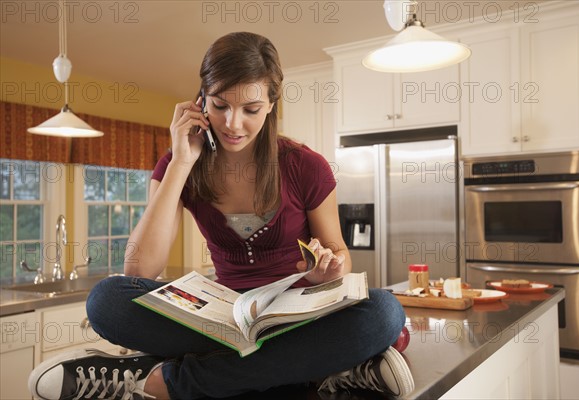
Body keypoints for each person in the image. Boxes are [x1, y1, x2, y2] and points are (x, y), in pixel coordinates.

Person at [28, 32, 414, 400]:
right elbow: (139, 270)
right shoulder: (177, 165)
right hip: (219, 321)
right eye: (219, 105)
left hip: (297, 318)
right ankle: (321, 366)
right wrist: (181, 162)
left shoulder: (305, 166)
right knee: (105, 301)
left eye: (250, 109)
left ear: (271, 105)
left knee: (383, 310)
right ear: (200, 100)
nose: (232, 123)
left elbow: (339, 255)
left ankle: (168, 379)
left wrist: (328, 270)